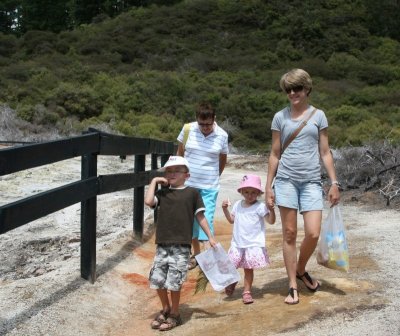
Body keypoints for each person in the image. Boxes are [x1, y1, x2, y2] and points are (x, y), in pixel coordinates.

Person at [265, 68, 340, 305]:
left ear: (307, 89)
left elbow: (325, 152)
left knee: (313, 233)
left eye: (297, 88)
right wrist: (269, 187)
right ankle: (292, 285)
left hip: (310, 182)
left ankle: (300, 268)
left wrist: (334, 182)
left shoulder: (319, 116)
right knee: (289, 234)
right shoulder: (280, 117)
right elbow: (275, 153)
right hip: (286, 180)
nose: (292, 93)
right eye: (288, 89)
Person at [145, 155, 217, 331]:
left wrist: (210, 237)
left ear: (187, 175)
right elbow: (149, 201)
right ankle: (166, 308)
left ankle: (175, 313)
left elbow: (200, 216)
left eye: (177, 170)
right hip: (162, 243)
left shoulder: (192, 193)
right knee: (157, 278)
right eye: (169, 171)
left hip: (181, 245)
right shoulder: (163, 193)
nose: (172, 173)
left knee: (174, 281)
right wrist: (154, 180)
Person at [176, 102, 229, 269]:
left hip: (209, 186)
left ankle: (209, 257)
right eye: (201, 124)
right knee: (191, 221)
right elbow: (180, 153)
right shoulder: (187, 130)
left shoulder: (222, 135)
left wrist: (213, 176)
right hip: (188, 185)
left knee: (206, 220)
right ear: (196, 119)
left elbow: (222, 159)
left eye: (208, 124)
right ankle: (197, 255)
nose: (205, 127)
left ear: (214, 119)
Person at [222, 174, 275, 304]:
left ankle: (247, 291)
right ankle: (233, 281)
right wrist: (225, 209)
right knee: (231, 264)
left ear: (258, 193)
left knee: (248, 268)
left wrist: (272, 210)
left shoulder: (260, 207)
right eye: (246, 192)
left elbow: (271, 221)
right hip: (238, 243)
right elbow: (231, 220)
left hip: (252, 244)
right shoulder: (237, 205)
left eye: (253, 192)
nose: (249, 195)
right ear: (241, 192)